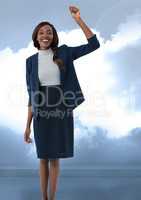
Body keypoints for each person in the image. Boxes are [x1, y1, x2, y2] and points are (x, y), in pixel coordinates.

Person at [24, 5, 100, 200]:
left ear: (53, 36)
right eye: (41, 32)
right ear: (36, 37)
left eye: (49, 32)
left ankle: (53, 198)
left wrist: (78, 20)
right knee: (42, 158)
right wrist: (27, 126)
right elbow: (31, 95)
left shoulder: (64, 52)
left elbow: (94, 45)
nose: (45, 35)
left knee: (55, 158)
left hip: (61, 106)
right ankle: (44, 198)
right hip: (41, 109)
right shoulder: (30, 61)